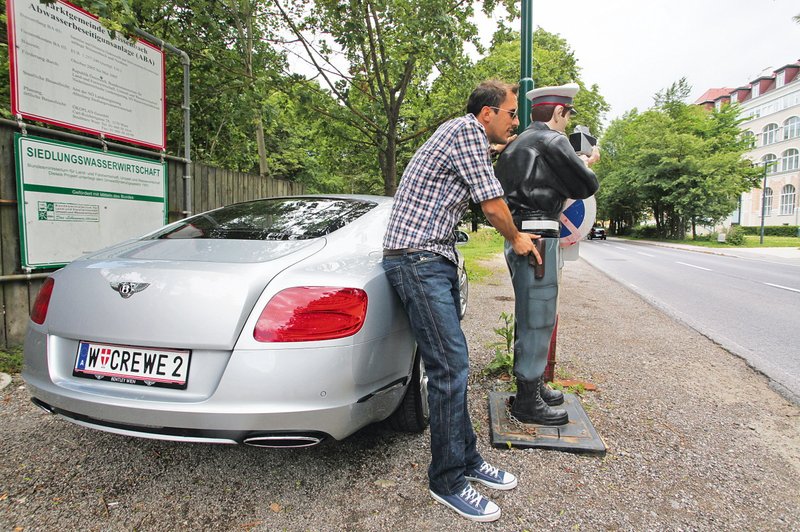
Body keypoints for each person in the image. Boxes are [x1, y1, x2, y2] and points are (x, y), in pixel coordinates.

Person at [382, 80, 540, 523]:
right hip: (418, 259)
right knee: (450, 368)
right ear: (486, 113)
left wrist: (509, 146)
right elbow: (492, 205)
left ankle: (466, 458)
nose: (515, 121)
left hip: (434, 257)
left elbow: (489, 164)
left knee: (455, 365)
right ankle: (447, 479)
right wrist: (518, 237)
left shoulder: (464, 137)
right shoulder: (465, 132)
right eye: (511, 113)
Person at [494, 83, 600, 426]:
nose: (567, 123)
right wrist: (585, 161)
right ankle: (528, 400)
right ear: (558, 112)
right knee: (538, 317)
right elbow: (585, 186)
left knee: (530, 315)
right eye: (567, 116)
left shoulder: (517, 144)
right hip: (540, 236)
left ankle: (533, 385)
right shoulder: (551, 141)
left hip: (520, 235)